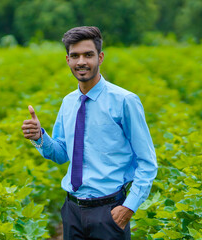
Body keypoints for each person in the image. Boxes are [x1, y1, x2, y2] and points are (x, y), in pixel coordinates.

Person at [21, 26, 158, 240]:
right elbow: (61, 153)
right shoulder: (68, 102)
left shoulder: (124, 101)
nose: (81, 62)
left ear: (100, 57)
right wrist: (39, 137)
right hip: (72, 210)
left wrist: (129, 207)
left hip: (110, 211)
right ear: (67, 60)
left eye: (88, 55)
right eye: (75, 56)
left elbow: (147, 161)